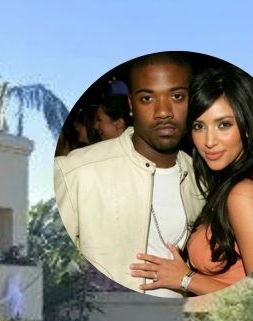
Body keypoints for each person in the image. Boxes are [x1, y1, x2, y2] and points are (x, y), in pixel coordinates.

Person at [55, 52, 204, 296]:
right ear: (131, 107)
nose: (163, 111)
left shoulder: (201, 178)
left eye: (177, 97)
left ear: (192, 103)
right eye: (147, 98)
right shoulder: (76, 171)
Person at [129, 66, 253, 295]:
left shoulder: (244, 193)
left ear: (247, 126)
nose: (209, 141)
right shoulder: (230, 184)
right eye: (199, 126)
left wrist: (186, 279)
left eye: (224, 125)